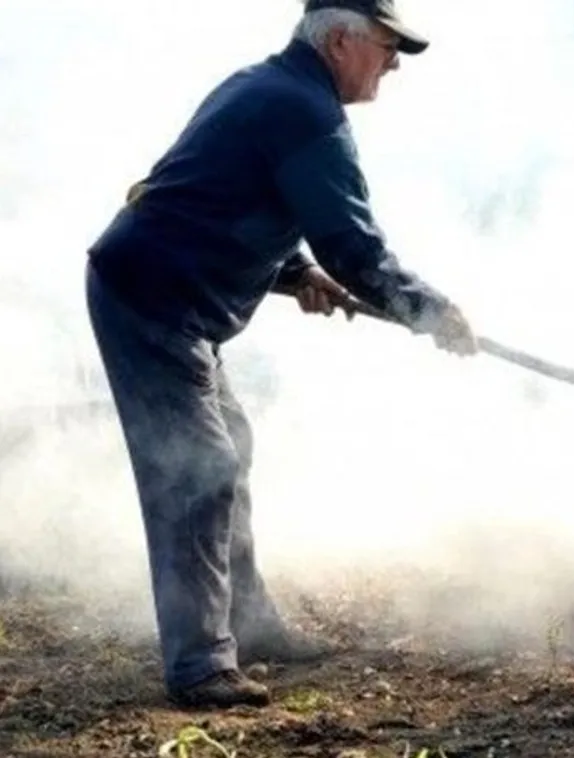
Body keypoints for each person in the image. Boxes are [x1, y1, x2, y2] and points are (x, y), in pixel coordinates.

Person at [83, 0, 476, 709]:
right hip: (151, 299)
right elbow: (355, 248)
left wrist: (293, 273)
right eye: (387, 46)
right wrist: (430, 313)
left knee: (228, 444)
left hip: (171, 293)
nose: (393, 63)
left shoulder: (268, 89)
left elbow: (224, 194)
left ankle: (249, 625)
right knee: (200, 469)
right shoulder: (304, 113)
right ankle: (201, 665)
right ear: (336, 40)